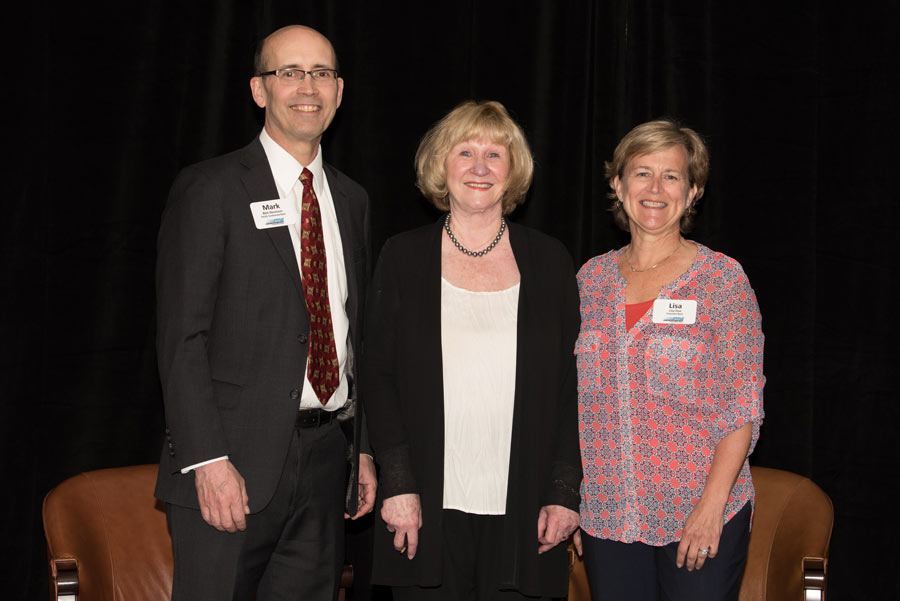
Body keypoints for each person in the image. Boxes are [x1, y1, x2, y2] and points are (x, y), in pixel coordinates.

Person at [154, 25, 376, 601]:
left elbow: (357, 337)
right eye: (290, 72)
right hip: (231, 465)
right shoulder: (211, 188)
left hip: (328, 460)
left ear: (340, 90)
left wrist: (364, 450)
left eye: (321, 73)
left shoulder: (352, 200)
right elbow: (182, 338)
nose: (308, 87)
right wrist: (207, 460)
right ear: (259, 90)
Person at [363, 100, 582, 600]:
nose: (479, 167)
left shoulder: (550, 260)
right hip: (425, 504)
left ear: (513, 172)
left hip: (526, 507)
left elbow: (574, 387)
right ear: (442, 165)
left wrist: (564, 491)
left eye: (494, 155)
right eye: (465, 152)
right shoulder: (402, 255)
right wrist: (397, 482)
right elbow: (378, 374)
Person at [573, 119, 765, 601]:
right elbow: (570, 405)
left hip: (696, 512)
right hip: (609, 515)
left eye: (672, 176)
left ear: (693, 190)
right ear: (618, 184)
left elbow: (742, 407)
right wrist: (574, 501)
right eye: (641, 173)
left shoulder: (722, 281)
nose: (655, 189)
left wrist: (711, 507)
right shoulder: (588, 282)